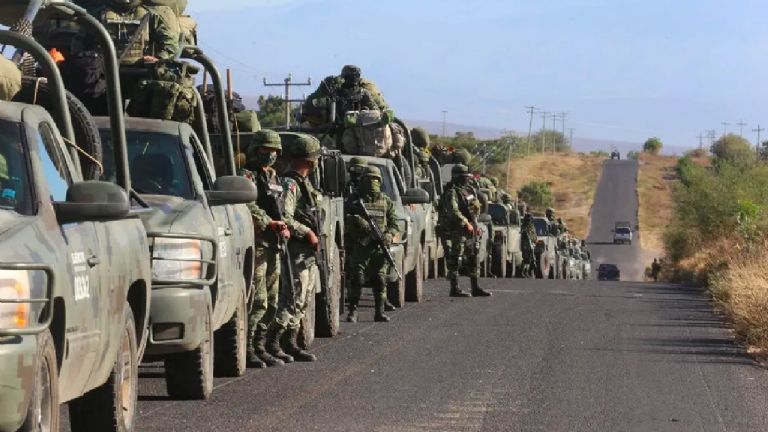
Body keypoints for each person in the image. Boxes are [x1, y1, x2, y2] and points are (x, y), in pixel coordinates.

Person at [265, 134, 323, 363]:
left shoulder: (305, 183)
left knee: (303, 298)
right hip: (296, 250)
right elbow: (285, 216)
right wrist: (307, 232)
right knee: (291, 298)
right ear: (310, 160)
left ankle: (291, 342)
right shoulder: (290, 183)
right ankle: (274, 342)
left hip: (307, 253)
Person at [239, 130, 291, 368]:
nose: (270, 155)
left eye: (274, 152)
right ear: (255, 149)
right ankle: (247, 348)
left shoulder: (274, 177)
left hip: (274, 244)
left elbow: (280, 207)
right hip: (257, 244)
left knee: (271, 299)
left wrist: (285, 227)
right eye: (265, 151)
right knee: (258, 300)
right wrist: (267, 222)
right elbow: (247, 204)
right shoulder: (245, 175)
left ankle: (260, 345)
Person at [344, 167, 400, 323]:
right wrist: (359, 222)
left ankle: (379, 312)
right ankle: (353, 311)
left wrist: (388, 235)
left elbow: (394, 222)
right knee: (357, 279)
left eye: (375, 179)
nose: (372, 183)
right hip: (360, 247)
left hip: (379, 247)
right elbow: (346, 216)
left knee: (380, 280)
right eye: (369, 179)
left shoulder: (385, 201)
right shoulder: (354, 199)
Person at [438, 164, 492, 298]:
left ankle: (475, 287)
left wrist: (475, 224)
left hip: (470, 228)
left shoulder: (468, 190)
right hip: (456, 230)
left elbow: (474, 209)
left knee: (473, 256)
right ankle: (454, 288)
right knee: (456, 258)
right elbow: (453, 211)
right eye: (464, 177)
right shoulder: (451, 192)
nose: (467, 180)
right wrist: (465, 223)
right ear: (458, 177)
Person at [520, 213, 538, 278]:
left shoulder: (531, 226)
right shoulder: (524, 227)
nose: (529, 220)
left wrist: (535, 241)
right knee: (526, 259)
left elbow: (534, 235)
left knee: (530, 260)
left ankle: (526, 272)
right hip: (526, 245)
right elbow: (524, 236)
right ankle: (522, 272)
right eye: (528, 219)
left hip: (531, 244)